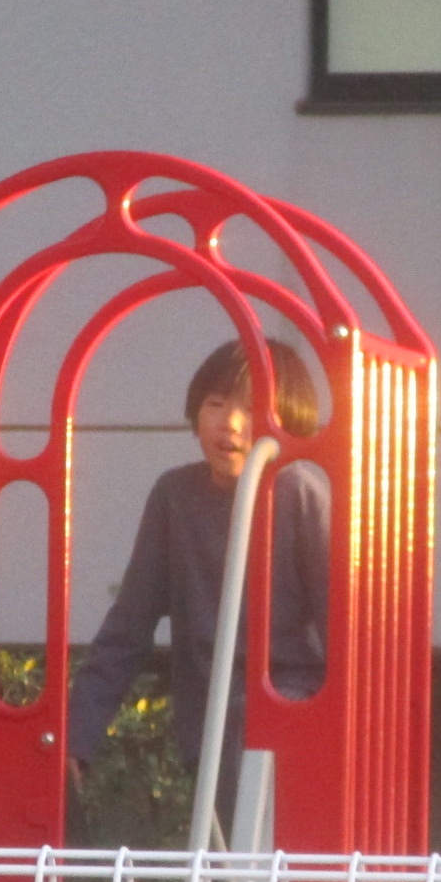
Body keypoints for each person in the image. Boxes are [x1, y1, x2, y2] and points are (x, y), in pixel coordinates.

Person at [66, 337, 329, 838]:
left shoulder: (299, 493)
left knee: (249, 728)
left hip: (292, 712)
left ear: (287, 421)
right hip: (211, 721)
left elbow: (342, 631)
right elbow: (128, 627)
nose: (229, 423)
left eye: (250, 409)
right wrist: (77, 735)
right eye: (216, 404)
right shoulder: (176, 497)